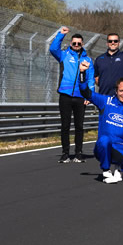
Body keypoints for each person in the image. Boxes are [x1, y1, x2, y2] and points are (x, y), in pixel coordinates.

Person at [78, 61, 123, 184]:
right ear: (116, 91)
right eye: (122, 90)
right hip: (103, 147)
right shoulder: (105, 101)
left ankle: (119, 168)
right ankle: (106, 171)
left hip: (121, 148)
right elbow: (85, 92)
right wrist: (82, 73)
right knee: (104, 139)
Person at [49, 27, 95, 163]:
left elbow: (91, 78)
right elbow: (52, 49)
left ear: (82, 44)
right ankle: (65, 153)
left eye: (78, 43)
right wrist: (60, 35)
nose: (76, 45)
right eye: (74, 43)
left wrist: (89, 96)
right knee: (65, 125)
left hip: (80, 96)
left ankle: (78, 153)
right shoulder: (64, 55)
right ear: (70, 44)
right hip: (65, 95)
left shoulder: (88, 60)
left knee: (79, 126)